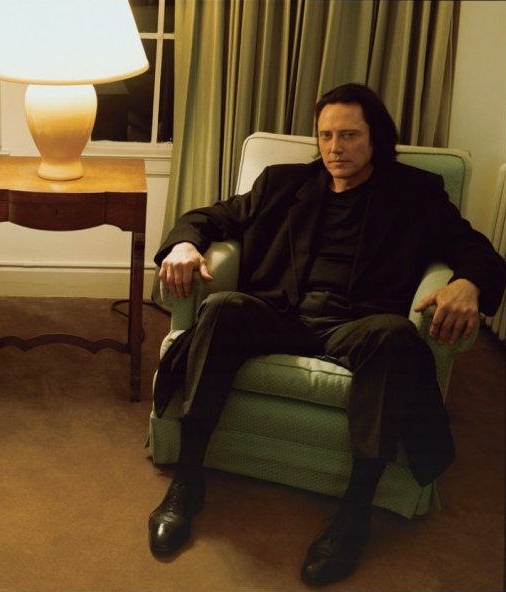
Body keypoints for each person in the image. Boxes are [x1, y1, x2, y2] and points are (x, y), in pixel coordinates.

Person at [149, 83, 506, 586]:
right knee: (222, 308)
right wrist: (185, 245)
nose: (335, 148)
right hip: (282, 313)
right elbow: (208, 217)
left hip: (358, 325)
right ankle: (189, 479)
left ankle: (355, 512)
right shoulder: (282, 184)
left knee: (395, 337)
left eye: (349, 135)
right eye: (326, 136)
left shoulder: (416, 194)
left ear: (376, 138)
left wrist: (467, 283)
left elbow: (476, 250)